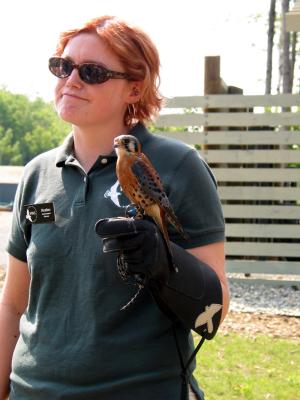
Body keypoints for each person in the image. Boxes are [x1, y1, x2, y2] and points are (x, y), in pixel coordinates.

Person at [0, 15, 230, 400]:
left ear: (134, 90)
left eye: (91, 72)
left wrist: (167, 265)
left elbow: (216, 304)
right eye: (63, 66)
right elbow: (12, 303)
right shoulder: (37, 174)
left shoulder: (179, 166)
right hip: (33, 391)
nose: (71, 79)